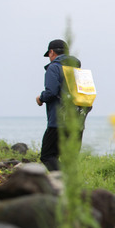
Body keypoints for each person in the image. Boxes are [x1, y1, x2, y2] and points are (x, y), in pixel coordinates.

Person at [35, 39, 85, 171]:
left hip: (59, 122)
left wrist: (41, 98)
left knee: (47, 155)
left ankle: (62, 181)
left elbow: (51, 92)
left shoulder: (54, 67)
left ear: (51, 52)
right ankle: (75, 187)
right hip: (78, 121)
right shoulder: (76, 68)